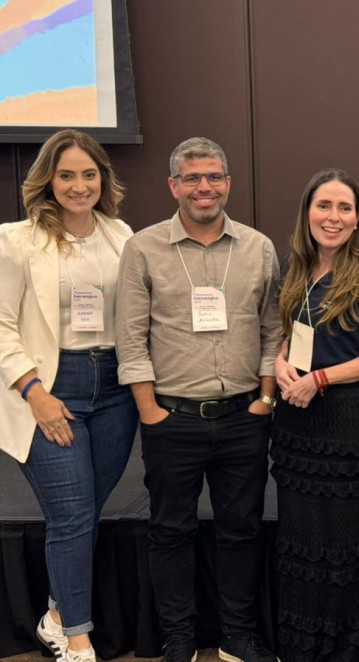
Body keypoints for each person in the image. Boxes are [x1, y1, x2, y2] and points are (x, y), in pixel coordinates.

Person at [115, 137, 282, 662]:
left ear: (228, 183)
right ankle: (178, 638)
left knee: (242, 530)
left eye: (213, 177)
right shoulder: (143, 248)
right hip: (172, 418)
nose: (203, 187)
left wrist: (266, 399)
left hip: (243, 417)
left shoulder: (258, 248)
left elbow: (273, 329)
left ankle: (237, 635)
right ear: (174, 185)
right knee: (170, 533)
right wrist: (150, 412)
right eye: (192, 178)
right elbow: (130, 337)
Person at [0, 129, 138, 662]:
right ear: (47, 181)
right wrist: (34, 391)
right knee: (74, 514)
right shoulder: (17, 240)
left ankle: (56, 613)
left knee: (85, 511)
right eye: (66, 175)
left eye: (88, 174)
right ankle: (76, 638)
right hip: (50, 388)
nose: (79, 186)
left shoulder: (121, 235)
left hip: (115, 389)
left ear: (103, 178)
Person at [270, 169, 359, 662]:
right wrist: (280, 364)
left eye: (345, 208)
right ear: (307, 212)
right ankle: (302, 649)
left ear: (358, 218)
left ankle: (345, 650)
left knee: (343, 545)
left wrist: (319, 379)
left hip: (347, 424)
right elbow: (288, 335)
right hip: (295, 422)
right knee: (300, 540)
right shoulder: (294, 267)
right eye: (324, 206)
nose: (333, 217)